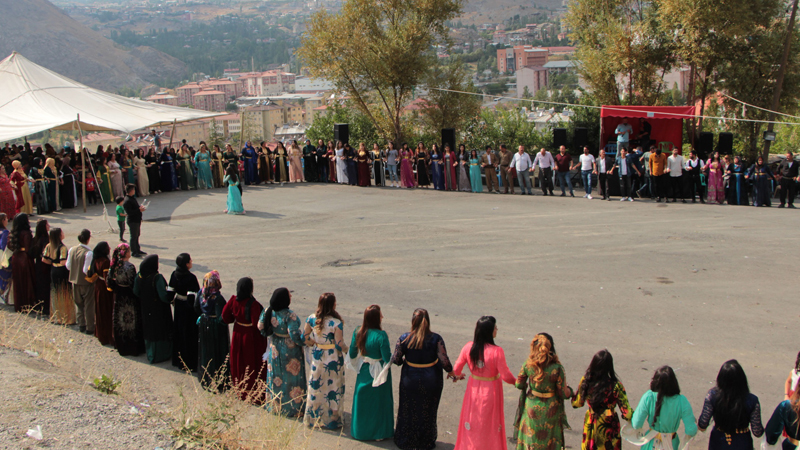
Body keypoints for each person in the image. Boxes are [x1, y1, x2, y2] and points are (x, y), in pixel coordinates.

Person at [392, 309, 454, 450]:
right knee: (428, 410)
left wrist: (404, 361)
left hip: (410, 378)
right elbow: (444, 361)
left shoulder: (404, 338)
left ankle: (406, 439)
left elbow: (396, 359)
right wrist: (451, 372)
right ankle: (425, 440)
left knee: (408, 409)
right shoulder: (436, 338)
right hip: (431, 378)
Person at [452, 316, 516, 450]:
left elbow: (456, 370)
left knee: (472, 423)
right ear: (490, 332)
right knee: (490, 425)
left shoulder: (468, 347)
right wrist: (518, 382)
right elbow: (506, 376)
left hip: (473, 390)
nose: (497, 330)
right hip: (491, 391)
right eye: (495, 328)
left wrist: (458, 376)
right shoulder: (497, 351)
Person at [514, 333, 573, 450]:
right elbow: (562, 392)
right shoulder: (557, 368)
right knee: (549, 441)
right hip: (551, 409)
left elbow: (519, 384)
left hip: (532, 407)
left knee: (531, 438)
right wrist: (571, 392)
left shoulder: (528, 365)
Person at [258, 287, 307, 417]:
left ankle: (275, 406)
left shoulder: (268, 311)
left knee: (276, 377)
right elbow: (294, 334)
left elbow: (261, 327)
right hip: (290, 351)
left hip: (274, 349)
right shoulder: (290, 315)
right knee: (291, 378)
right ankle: (292, 408)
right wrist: (305, 342)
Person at [349, 304, 394, 441]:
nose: (382, 317)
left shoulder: (358, 332)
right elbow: (387, 358)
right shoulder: (381, 335)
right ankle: (379, 433)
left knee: (362, 401)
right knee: (379, 403)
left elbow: (352, 353)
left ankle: (360, 431)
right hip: (379, 371)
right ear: (376, 318)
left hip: (364, 369)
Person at [302, 292, 347, 429]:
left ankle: (314, 412)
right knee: (334, 385)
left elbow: (305, 336)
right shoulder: (336, 323)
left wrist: (314, 342)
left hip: (318, 354)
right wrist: (347, 350)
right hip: (332, 355)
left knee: (316, 383)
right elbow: (339, 343)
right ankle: (333, 416)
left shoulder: (311, 319)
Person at [572, 349, 632, 450]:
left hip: (591, 423)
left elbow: (576, 403)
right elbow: (627, 414)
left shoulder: (586, 381)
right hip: (609, 426)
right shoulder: (616, 386)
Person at [698, 360, 764, 450]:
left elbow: (703, 423)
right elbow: (757, 432)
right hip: (742, 442)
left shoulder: (712, 395)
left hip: (719, 441)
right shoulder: (752, 400)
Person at [221, 277, 267, 404]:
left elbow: (225, 317)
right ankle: (253, 392)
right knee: (251, 363)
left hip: (237, 333)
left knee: (238, 361)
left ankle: (240, 389)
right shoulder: (253, 304)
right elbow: (256, 323)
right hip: (250, 337)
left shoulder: (233, 300)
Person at [631, 366, 698, 450]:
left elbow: (636, 424)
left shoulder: (649, 397)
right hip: (671, 443)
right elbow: (691, 430)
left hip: (650, 444)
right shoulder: (682, 401)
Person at [106, 243, 145, 356]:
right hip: (128, 295)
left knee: (120, 320)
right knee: (131, 320)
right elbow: (133, 283)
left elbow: (110, 282)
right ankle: (131, 346)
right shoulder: (130, 267)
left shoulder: (114, 266)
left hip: (118, 294)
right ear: (126, 253)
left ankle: (120, 344)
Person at [194, 270, 230, 391]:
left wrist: (204, 316)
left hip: (204, 323)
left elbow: (196, 307)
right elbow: (221, 317)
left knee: (206, 351)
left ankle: (206, 378)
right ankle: (218, 379)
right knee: (217, 351)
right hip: (215, 326)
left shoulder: (201, 293)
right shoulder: (217, 298)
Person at [134, 254, 173, 364]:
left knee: (149, 330)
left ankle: (150, 353)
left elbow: (136, 291)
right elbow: (163, 296)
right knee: (159, 330)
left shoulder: (139, 276)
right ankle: (161, 355)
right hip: (158, 309)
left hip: (146, 307)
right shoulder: (157, 277)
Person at [167, 253, 200, 372]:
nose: (191, 262)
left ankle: (177, 360)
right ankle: (189, 362)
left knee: (179, 332)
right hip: (187, 309)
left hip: (179, 306)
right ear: (187, 264)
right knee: (188, 334)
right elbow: (193, 297)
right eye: (190, 260)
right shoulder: (191, 278)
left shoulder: (174, 274)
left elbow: (170, 293)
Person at [43, 227, 75, 325]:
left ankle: (56, 316)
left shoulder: (49, 246)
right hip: (62, 271)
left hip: (53, 270)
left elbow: (44, 259)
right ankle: (66, 317)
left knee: (55, 292)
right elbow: (63, 262)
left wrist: (53, 262)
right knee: (65, 293)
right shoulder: (62, 248)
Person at [66, 229, 95, 335]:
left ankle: (81, 324)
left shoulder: (72, 249)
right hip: (86, 282)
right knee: (88, 305)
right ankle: (90, 326)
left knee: (78, 304)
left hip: (74, 280)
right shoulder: (89, 253)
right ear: (88, 239)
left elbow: (68, 266)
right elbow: (86, 270)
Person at [86, 241, 114, 346]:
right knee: (106, 310)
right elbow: (107, 277)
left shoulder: (95, 260)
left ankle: (100, 333)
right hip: (104, 289)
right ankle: (107, 335)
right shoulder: (105, 261)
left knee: (99, 310)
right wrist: (111, 288)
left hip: (97, 286)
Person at [9, 214, 35, 313]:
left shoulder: (13, 233)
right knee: (27, 282)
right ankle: (28, 304)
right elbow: (28, 249)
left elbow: (10, 245)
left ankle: (19, 304)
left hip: (16, 258)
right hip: (25, 258)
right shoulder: (26, 233)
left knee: (18, 282)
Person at [31, 219, 50, 315]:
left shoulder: (35, 239)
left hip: (38, 265)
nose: (49, 226)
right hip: (45, 265)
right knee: (45, 285)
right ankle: (45, 307)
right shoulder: (46, 239)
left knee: (40, 285)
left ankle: (40, 305)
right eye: (47, 224)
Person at [123, 184, 146, 257]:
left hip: (137, 219)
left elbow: (135, 207)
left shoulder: (132, 198)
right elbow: (130, 212)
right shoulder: (127, 201)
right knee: (133, 236)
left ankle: (137, 249)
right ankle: (134, 251)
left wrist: (140, 208)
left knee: (137, 235)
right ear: (131, 190)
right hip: (133, 220)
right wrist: (139, 210)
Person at [0, 214, 10, 302]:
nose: (7, 220)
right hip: (2, 257)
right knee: (4, 275)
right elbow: (4, 246)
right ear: (3, 220)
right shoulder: (5, 232)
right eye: (6, 218)